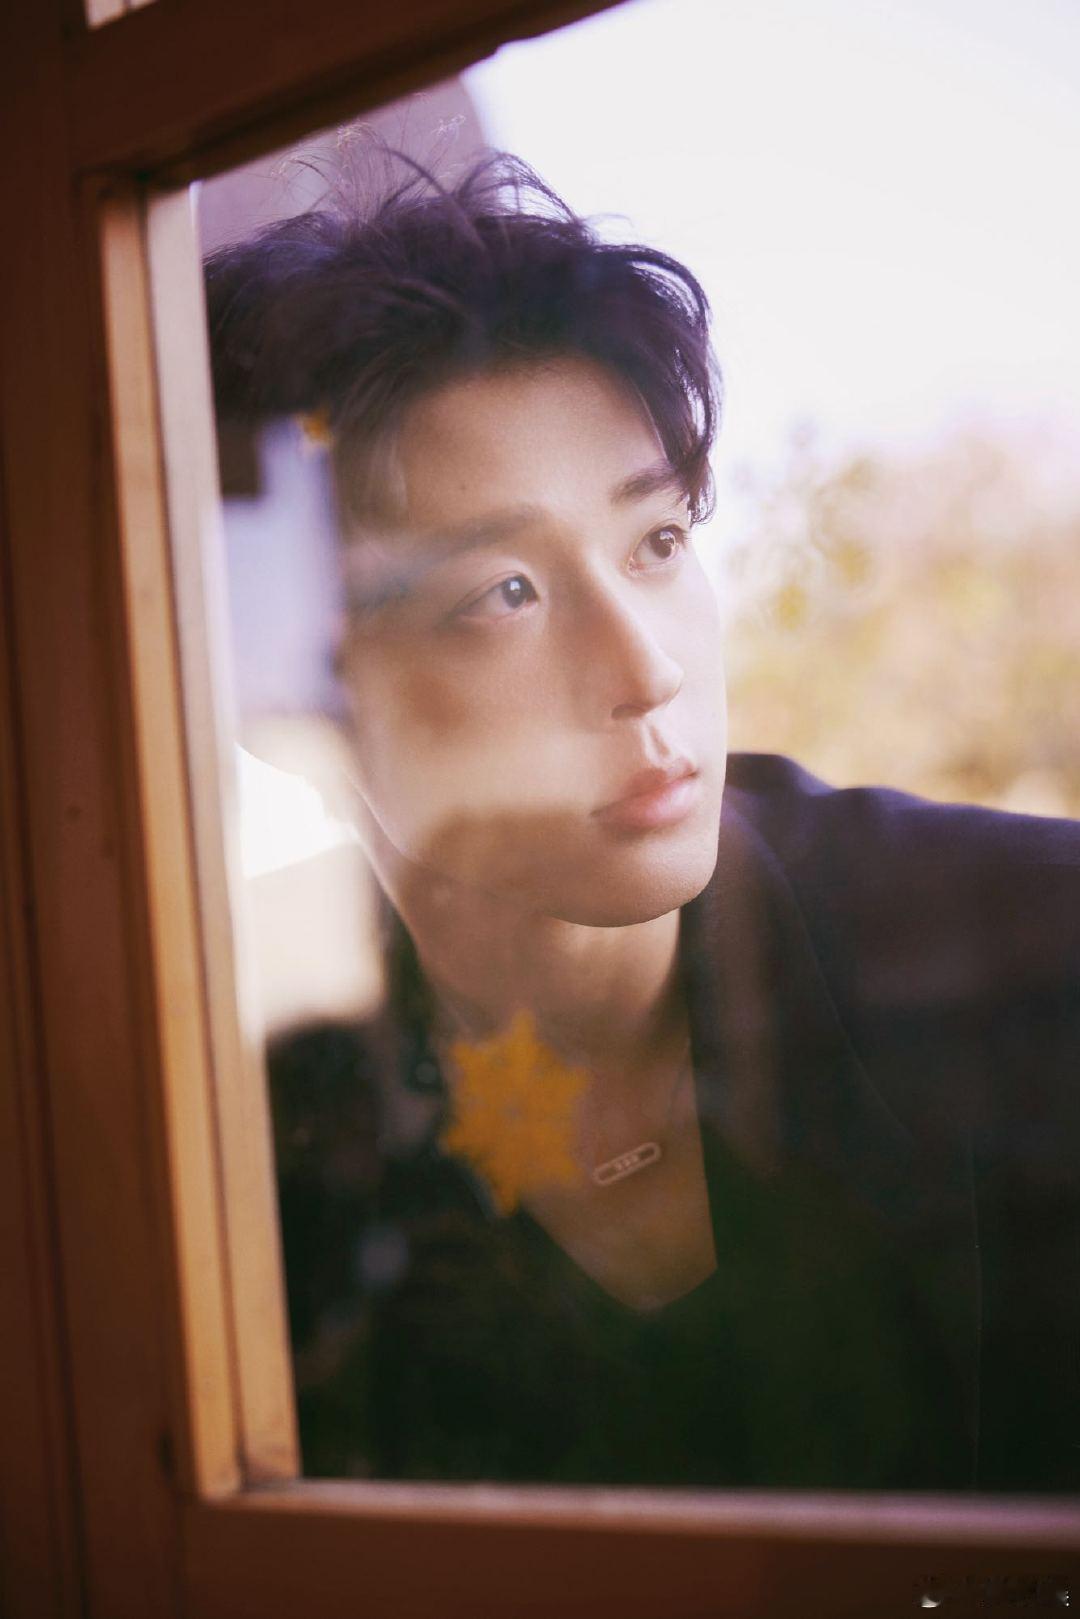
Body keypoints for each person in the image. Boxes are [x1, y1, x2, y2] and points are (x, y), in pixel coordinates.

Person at [205, 151, 1080, 1490]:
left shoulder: (1031, 955)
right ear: (307, 688)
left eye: (657, 541)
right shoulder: (244, 1147)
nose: (647, 666)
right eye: (504, 591)